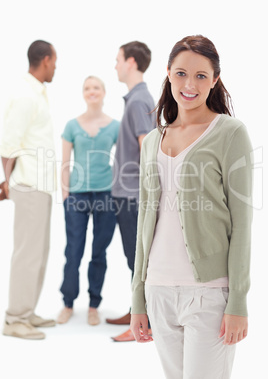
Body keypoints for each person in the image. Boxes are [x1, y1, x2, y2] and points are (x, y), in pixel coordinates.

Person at [130, 35, 253, 378]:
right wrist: (138, 297)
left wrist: (238, 301)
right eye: (181, 73)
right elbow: (145, 221)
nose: (189, 84)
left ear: (214, 80)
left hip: (210, 294)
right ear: (168, 73)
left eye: (201, 76)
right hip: (158, 289)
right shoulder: (153, 139)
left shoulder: (230, 133)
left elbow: (242, 223)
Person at [0, 40, 57, 340]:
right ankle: (15, 319)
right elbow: (8, 143)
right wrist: (7, 182)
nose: (56, 68)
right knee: (27, 254)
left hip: (41, 185)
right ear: (45, 60)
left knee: (39, 252)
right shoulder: (25, 94)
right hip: (28, 184)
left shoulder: (37, 92)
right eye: (55, 62)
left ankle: (27, 311)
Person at [57, 76, 120, 326]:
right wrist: (65, 194)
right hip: (77, 195)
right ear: (83, 94)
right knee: (74, 251)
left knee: (99, 252)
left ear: (104, 93)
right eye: (87, 88)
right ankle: (68, 303)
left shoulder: (115, 126)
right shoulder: (72, 125)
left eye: (96, 87)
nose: (91, 91)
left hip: (106, 194)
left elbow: (126, 156)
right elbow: (64, 163)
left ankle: (94, 305)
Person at [105, 41, 155, 341]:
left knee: (138, 260)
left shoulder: (138, 101)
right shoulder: (136, 98)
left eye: (118, 59)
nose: (115, 65)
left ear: (132, 62)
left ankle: (144, 323)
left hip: (133, 196)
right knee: (132, 259)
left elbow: (147, 152)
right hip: (126, 194)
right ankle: (137, 310)